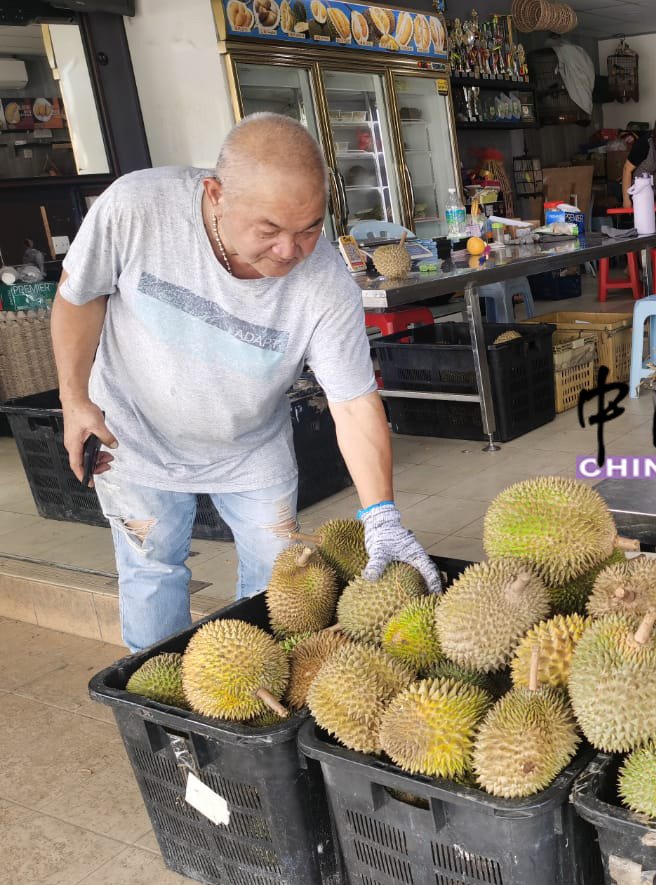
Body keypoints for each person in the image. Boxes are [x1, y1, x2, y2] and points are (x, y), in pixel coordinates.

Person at [51, 113, 442, 653]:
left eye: (309, 228)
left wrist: (382, 515)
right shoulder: (136, 208)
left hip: (252, 450)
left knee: (276, 587)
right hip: (133, 439)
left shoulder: (325, 280)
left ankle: (253, 709)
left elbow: (352, 402)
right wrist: (74, 399)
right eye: (270, 230)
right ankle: (158, 714)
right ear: (215, 194)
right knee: (151, 571)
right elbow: (78, 295)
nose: (290, 251)